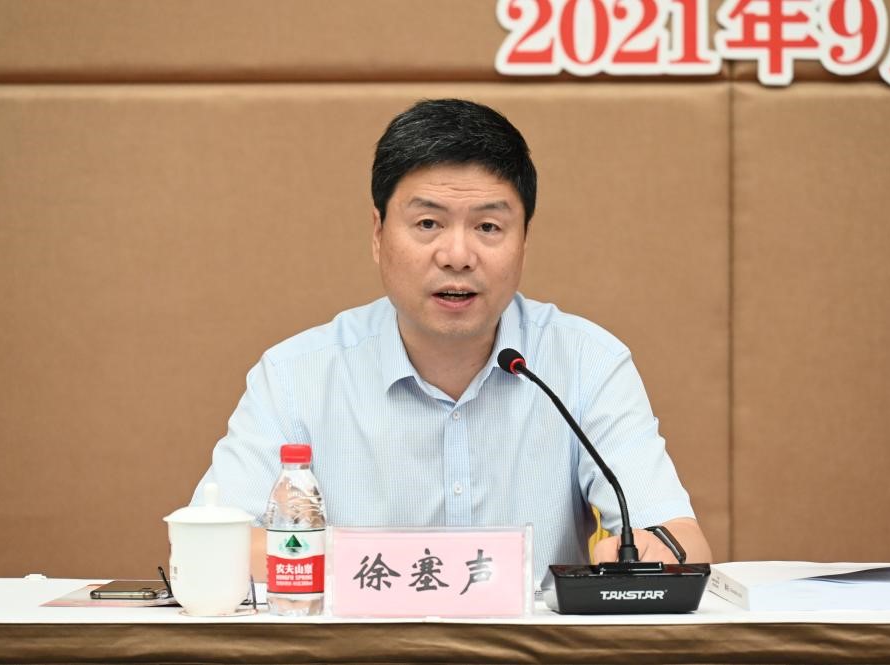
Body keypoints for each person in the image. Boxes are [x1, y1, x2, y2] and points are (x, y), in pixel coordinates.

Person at [192, 98, 711, 583]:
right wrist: (385, 578)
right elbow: (213, 543)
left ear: (524, 240)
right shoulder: (296, 375)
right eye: (427, 223)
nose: (457, 256)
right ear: (378, 234)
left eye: (488, 227)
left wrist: (644, 553)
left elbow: (680, 538)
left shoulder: (586, 362)